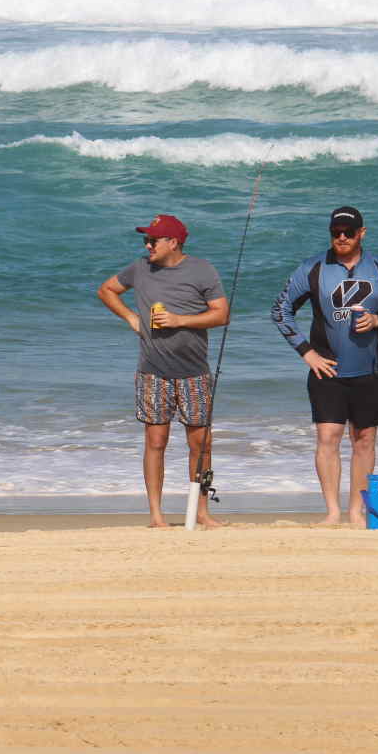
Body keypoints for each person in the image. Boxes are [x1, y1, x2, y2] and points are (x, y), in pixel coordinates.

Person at [271, 206, 378, 527]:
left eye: (349, 232)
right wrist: (306, 352)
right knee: (328, 436)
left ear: (362, 232)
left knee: (364, 439)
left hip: (371, 370)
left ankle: (356, 512)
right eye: (336, 232)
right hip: (327, 369)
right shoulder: (312, 268)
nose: (342, 237)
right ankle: (333, 512)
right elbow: (280, 311)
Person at [98, 214, 229, 528]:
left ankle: (201, 512)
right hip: (152, 370)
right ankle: (156, 516)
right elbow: (106, 290)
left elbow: (221, 314)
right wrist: (132, 319)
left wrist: (180, 320)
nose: (147, 245)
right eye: (146, 239)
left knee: (201, 444)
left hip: (195, 371)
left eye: (153, 240)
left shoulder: (202, 270)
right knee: (156, 441)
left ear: (173, 242)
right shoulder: (140, 268)